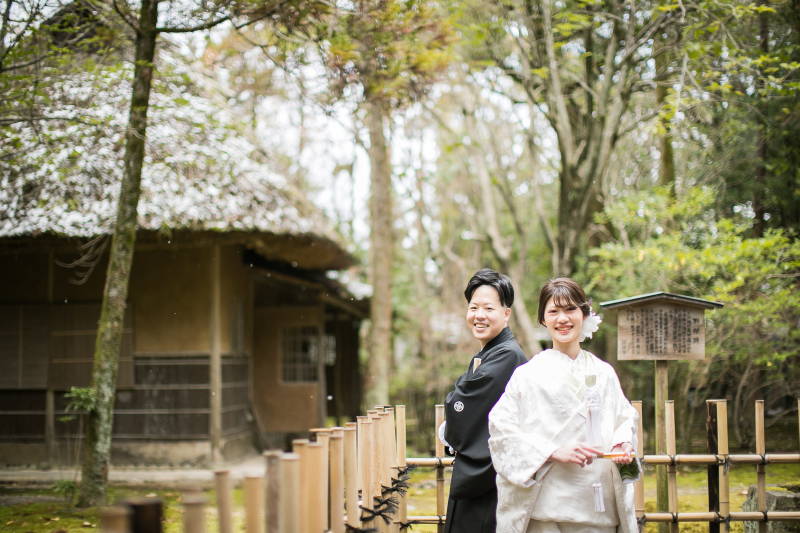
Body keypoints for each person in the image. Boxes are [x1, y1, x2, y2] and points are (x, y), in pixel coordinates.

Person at [488, 278, 640, 533]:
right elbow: (500, 430)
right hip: (546, 508)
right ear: (543, 319)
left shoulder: (604, 373)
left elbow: (625, 418)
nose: (562, 318)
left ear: (584, 314)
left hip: (597, 507)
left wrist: (622, 443)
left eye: (570, 309)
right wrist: (551, 451)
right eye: (553, 311)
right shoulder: (526, 375)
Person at [440, 268, 529, 533]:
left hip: (489, 483)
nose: (479, 315)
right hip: (482, 475)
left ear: (506, 313)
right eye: (473, 307)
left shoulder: (507, 355)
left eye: (488, 308)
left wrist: (449, 420)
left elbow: (462, 404)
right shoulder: (493, 350)